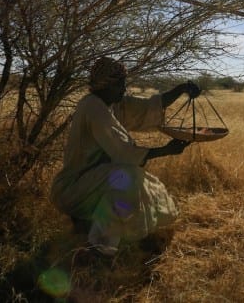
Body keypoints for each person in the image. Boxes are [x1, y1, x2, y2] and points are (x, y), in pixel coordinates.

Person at [50, 56, 201, 256]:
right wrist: (166, 150)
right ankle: (100, 250)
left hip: (94, 181)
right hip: (74, 187)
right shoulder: (94, 107)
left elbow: (148, 108)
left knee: (141, 182)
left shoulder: (112, 104)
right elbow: (124, 153)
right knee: (128, 177)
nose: (124, 89)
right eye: (120, 84)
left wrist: (181, 88)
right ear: (106, 85)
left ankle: (110, 234)